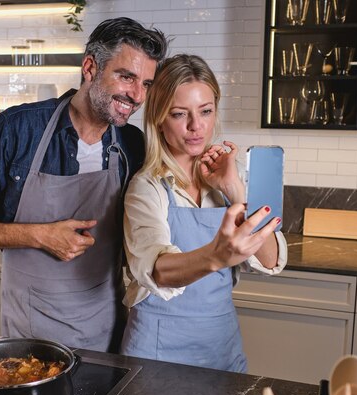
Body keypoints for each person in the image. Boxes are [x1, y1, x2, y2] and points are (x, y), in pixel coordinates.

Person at [0, 17, 168, 353]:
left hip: (104, 331)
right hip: (28, 333)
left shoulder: (133, 144)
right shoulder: (18, 130)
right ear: (90, 67)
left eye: (146, 84)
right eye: (126, 77)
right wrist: (40, 235)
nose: (136, 95)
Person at [120, 54, 288, 372]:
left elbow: (270, 260)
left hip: (220, 347)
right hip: (156, 353)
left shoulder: (233, 174)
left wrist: (235, 190)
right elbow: (158, 271)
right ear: (158, 119)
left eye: (206, 111)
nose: (196, 127)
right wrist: (217, 256)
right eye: (180, 114)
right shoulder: (146, 188)